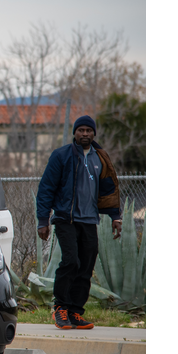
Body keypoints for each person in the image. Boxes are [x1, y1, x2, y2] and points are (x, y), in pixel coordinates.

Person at [37, 115, 122, 330]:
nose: (85, 134)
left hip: (89, 220)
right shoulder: (61, 156)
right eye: (80, 130)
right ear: (74, 133)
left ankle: (75, 312)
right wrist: (42, 220)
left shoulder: (100, 158)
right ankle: (61, 308)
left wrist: (115, 216)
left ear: (94, 133)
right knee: (71, 262)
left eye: (88, 130)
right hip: (67, 219)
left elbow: (108, 189)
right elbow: (46, 189)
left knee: (86, 266)